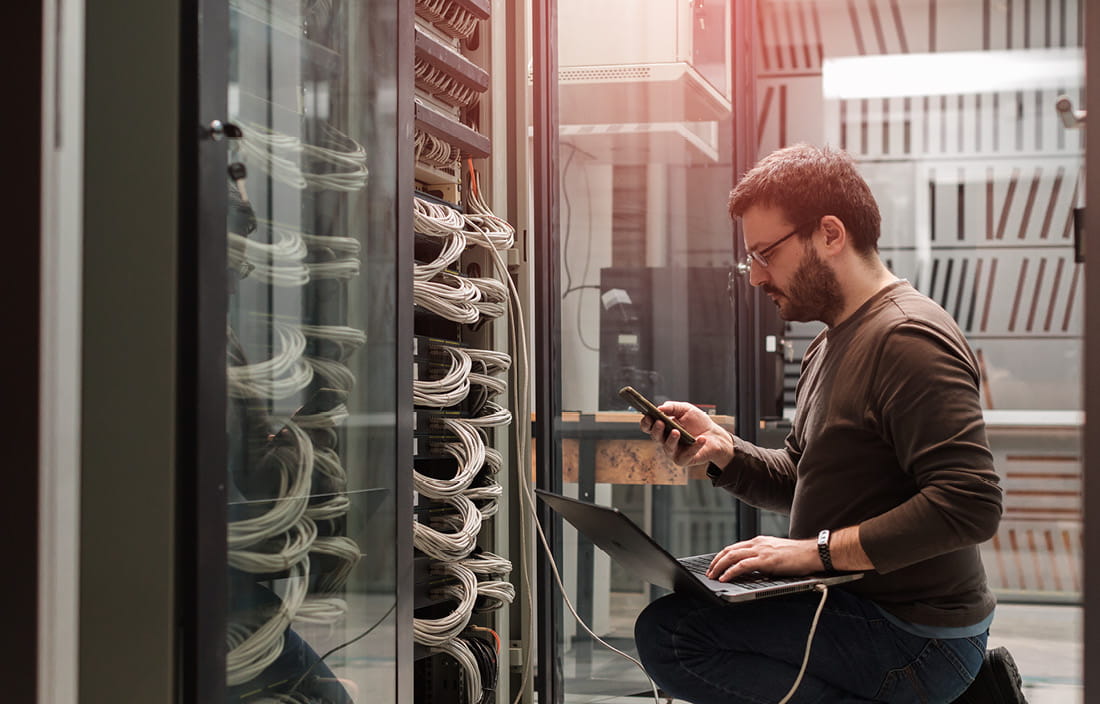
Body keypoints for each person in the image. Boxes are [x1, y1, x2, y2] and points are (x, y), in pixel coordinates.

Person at [633, 144, 1027, 704]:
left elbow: (969, 503)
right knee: (681, 614)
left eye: (766, 254)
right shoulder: (829, 342)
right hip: (859, 602)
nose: (755, 278)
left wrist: (814, 553)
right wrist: (724, 451)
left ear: (830, 234)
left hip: (917, 634)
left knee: (674, 636)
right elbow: (802, 474)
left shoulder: (907, 338)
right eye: (751, 260)